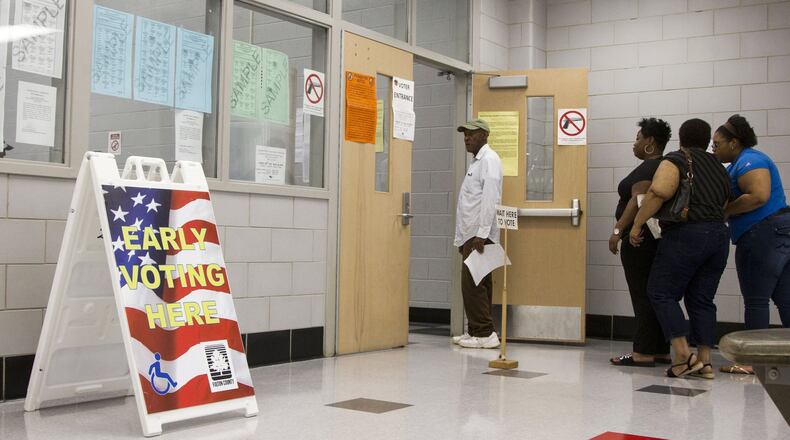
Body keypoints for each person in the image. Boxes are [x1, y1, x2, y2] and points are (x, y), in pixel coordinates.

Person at [630, 118, 730, 379]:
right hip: (719, 235)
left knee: (660, 292)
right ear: (707, 140)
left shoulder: (675, 160)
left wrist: (637, 224)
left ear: (681, 138)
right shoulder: (719, 166)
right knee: (702, 299)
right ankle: (705, 361)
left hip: (687, 233)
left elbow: (659, 191)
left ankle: (684, 356)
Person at [712, 114, 790, 375]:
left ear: (734, 143)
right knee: (785, 298)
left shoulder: (749, 160)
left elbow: (759, 195)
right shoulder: (742, 162)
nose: (715, 148)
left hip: (762, 235)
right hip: (779, 233)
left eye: (718, 143)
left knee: (756, 300)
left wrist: (727, 210)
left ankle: (752, 362)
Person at [609, 118, 672, 367]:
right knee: (654, 293)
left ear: (650, 142)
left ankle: (643, 352)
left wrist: (617, 230)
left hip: (639, 240)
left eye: (638, 138)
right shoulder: (662, 167)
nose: (634, 143)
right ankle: (659, 349)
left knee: (642, 295)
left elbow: (638, 202)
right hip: (653, 240)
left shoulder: (649, 168)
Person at [451, 118, 503, 349]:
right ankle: (477, 331)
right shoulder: (477, 162)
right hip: (471, 233)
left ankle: (484, 334)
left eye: (471, 133)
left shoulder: (489, 160)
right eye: (464, 134)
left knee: (473, 284)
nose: (466, 138)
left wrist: (481, 234)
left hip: (480, 234)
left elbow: (491, 199)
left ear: (484, 135)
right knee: (477, 283)